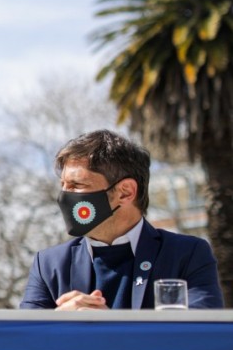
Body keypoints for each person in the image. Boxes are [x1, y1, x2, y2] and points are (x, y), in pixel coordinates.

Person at [20, 129, 223, 310]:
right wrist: (59, 325)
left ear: (125, 192)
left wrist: (112, 331)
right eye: (63, 185)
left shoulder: (186, 255)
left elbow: (200, 339)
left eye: (76, 185)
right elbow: (26, 341)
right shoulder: (49, 264)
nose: (64, 196)